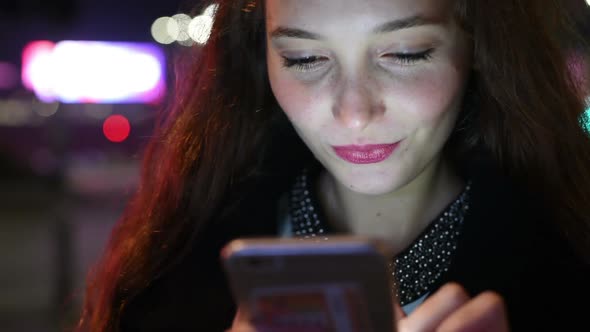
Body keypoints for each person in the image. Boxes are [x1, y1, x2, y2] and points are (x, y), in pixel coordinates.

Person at [77, 0, 590, 331]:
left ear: (476, 45)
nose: (354, 111)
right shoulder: (179, 256)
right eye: (305, 60)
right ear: (261, 59)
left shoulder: (568, 253)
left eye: (405, 54)